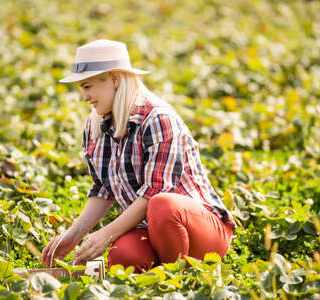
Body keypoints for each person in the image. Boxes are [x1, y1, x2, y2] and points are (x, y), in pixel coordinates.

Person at [41, 39, 235, 272]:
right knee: (123, 257)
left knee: (162, 205)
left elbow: (154, 193)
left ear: (114, 78)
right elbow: (103, 191)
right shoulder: (95, 126)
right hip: (148, 227)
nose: (85, 97)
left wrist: (105, 234)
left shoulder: (158, 119)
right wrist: (72, 236)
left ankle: (180, 278)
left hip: (200, 230)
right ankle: (158, 274)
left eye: (87, 86)